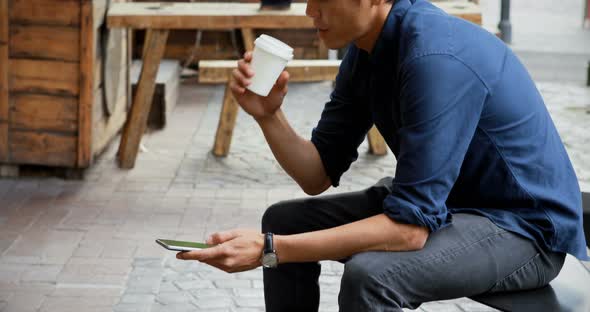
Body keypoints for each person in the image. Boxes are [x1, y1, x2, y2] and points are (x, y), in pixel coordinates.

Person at [176, 0, 589, 311]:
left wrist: (270, 248)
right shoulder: (366, 51)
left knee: (371, 277)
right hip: (448, 207)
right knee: (284, 220)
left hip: (524, 231)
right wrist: (269, 115)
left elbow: (409, 231)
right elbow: (316, 173)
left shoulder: (435, 59)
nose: (309, 9)